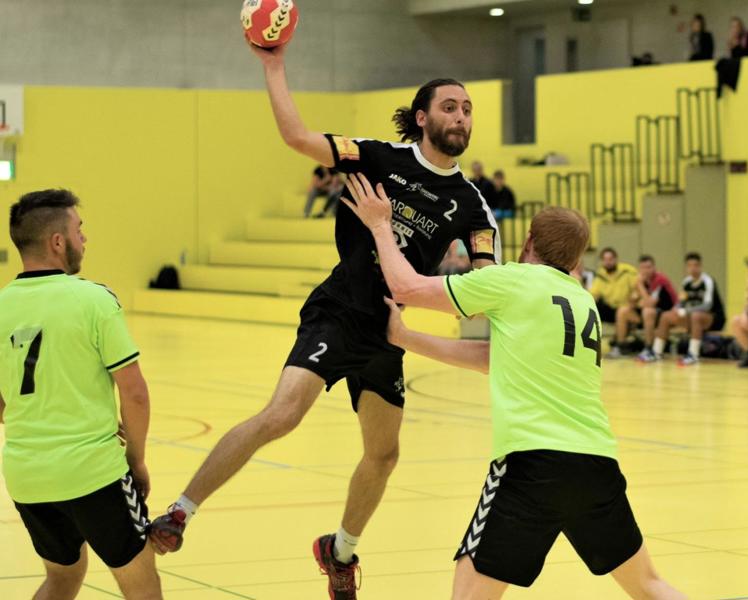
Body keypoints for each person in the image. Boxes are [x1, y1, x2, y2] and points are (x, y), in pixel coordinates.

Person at [148, 36, 500, 600]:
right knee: (282, 415)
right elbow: (296, 137)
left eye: (467, 109)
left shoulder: (471, 203)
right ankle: (179, 512)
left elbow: (485, 286)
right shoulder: (376, 155)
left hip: (388, 329)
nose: (461, 117)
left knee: (383, 454)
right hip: (337, 311)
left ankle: (339, 551)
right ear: (422, 117)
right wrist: (274, 64)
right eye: (449, 107)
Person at [340, 177, 687, 599]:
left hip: (530, 463)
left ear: (528, 241)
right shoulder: (582, 301)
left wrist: (380, 226)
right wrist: (406, 338)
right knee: (649, 585)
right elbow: (493, 359)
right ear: (577, 258)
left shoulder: (511, 281)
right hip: (596, 465)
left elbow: (406, 286)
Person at [1, 189, 161, 599]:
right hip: (95, 475)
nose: (84, 239)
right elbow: (135, 394)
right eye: (79, 230)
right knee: (142, 586)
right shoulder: (93, 299)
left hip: (27, 477)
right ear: (58, 241)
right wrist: (136, 461)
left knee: (63, 578)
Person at [639, 252, 725, 365]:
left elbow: (707, 305)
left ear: (700, 266)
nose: (693, 268)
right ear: (686, 267)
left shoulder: (708, 281)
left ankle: (693, 354)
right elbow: (681, 301)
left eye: (696, 265)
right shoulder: (686, 282)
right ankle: (656, 352)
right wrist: (676, 308)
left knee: (696, 315)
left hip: (713, 318)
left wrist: (687, 311)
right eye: (689, 266)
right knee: (666, 316)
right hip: (692, 317)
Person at [611, 256, 679, 359]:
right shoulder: (641, 281)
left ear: (654, 267)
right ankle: (621, 346)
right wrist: (635, 296)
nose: (646, 270)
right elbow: (632, 303)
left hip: (666, 314)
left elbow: (650, 303)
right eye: (643, 268)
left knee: (648, 311)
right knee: (623, 311)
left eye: (648, 267)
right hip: (650, 315)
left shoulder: (660, 280)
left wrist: (639, 285)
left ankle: (648, 348)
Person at [588, 247, 638, 326]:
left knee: (622, 311)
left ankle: (620, 338)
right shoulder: (600, 275)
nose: (608, 262)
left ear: (616, 259)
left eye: (610, 259)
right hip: (612, 309)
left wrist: (632, 302)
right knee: (592, 309)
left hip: (630, 307)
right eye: (605, 260)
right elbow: (593, 294)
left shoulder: (627, 271)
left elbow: (637, 290)